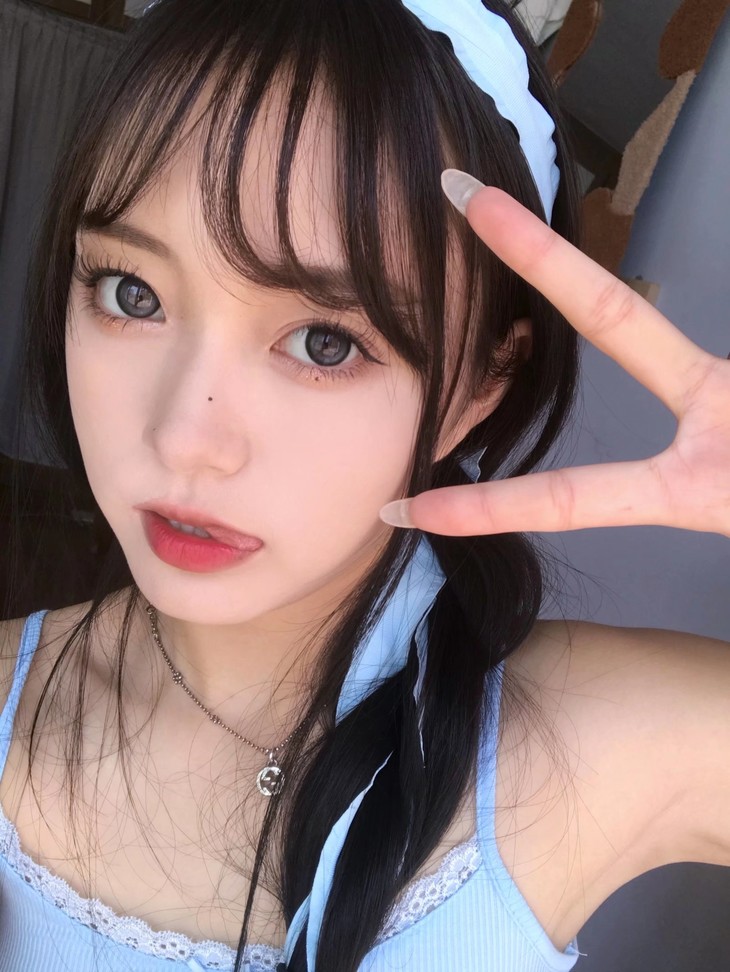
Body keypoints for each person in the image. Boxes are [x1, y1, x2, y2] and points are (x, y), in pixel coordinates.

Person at [1, 0, 728, 969]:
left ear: (478, 388)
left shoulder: (594, 739)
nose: (185, 440)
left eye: (324, 343)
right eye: (131, 294)